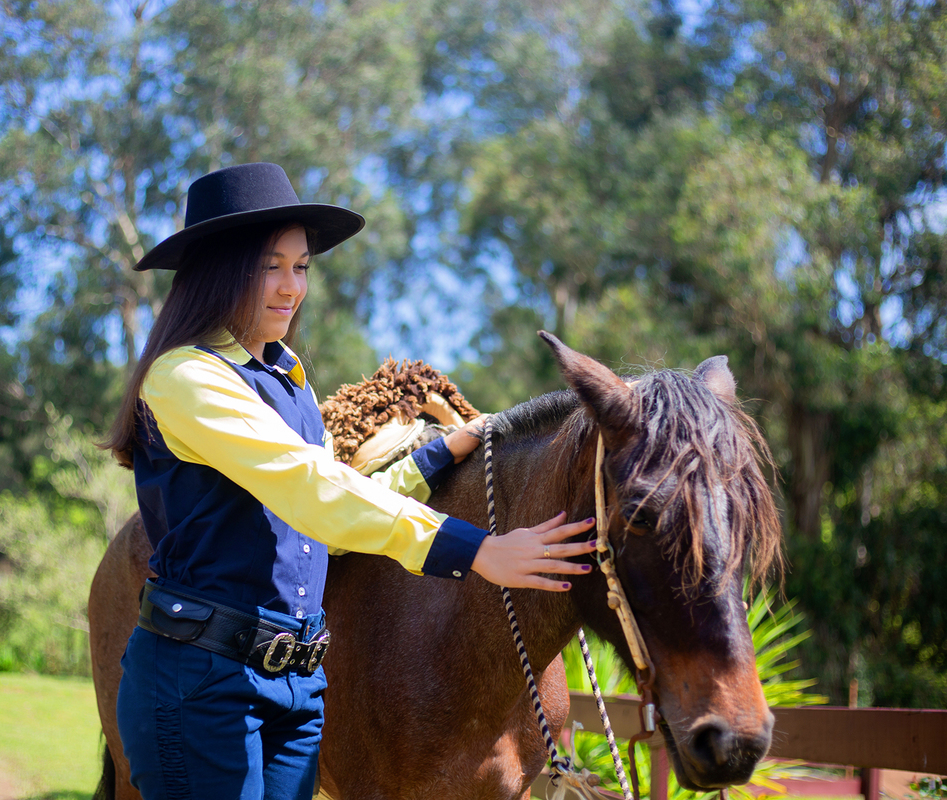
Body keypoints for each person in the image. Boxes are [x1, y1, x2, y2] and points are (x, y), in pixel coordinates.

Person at [105, 162, 597, 800]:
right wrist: (475, 549)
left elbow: (320, 523)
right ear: (217, 270)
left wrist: (436, 456)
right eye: (269, 266)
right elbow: (310, 487)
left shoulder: (289, 380)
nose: (291, 288)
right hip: (204, 681)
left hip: (298, 686)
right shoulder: (184, 377)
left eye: (302, 266)